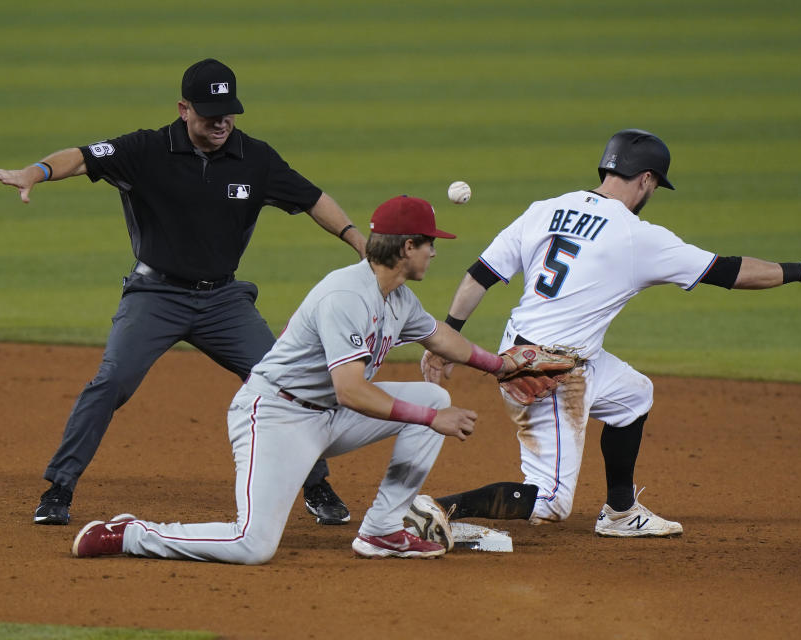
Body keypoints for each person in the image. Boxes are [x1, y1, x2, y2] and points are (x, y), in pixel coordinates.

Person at [416, 128, 801, 540]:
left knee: (633, 396)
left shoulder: (544, 210)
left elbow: (480, 275)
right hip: (548, 373)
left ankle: (620, 514)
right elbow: (729, 271)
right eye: (656, 185)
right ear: (646, 179)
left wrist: (448, 338)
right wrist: (800, 271)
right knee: (549, 502)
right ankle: (437, 508)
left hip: (530, 349)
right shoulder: (637, 235)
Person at [0, 58, 363, 527]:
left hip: (223, 302)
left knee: (286, 382)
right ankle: (58, 489)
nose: (222, 121)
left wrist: (358, 241)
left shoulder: (256, 158)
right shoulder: (146, 149)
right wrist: (35, 172)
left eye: (229, 112)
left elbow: (313, 199)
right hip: (155, 296)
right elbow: (83, 156)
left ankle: (316, 484)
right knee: (112, 382)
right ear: (184, 109)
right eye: (210, 113)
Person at [70, 195, 523, 562]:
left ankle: (384, 531)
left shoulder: (398, 297)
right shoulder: (347, 294)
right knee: (253, 545)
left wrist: (504, 365)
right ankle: (132, 534)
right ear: (407, 247)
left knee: (433, 396)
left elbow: (442, 340)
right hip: (277, 417)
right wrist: (428, 418)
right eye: (429, 244)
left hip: (329, 415)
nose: (434, 251)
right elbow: (350, 389)